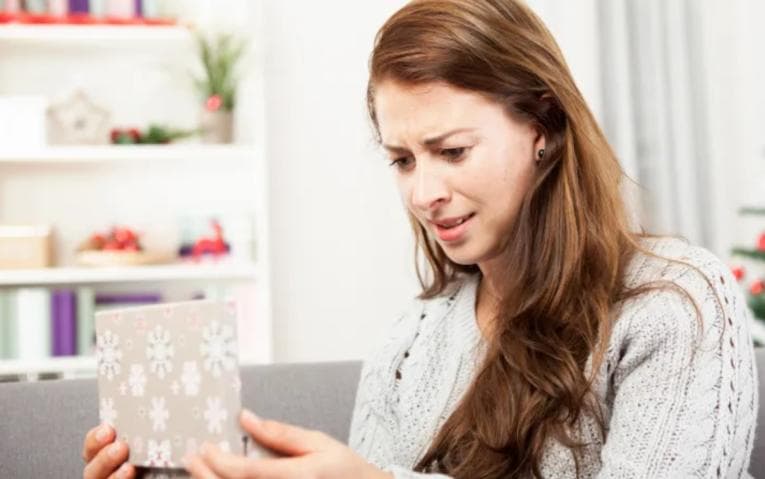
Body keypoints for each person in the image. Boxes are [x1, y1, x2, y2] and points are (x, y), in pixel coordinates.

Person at [82, 0, 759, 478]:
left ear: (543, 127)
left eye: (452, 150)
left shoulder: (674, 303)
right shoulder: (413, 340)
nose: (420, 192)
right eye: (402, 159)